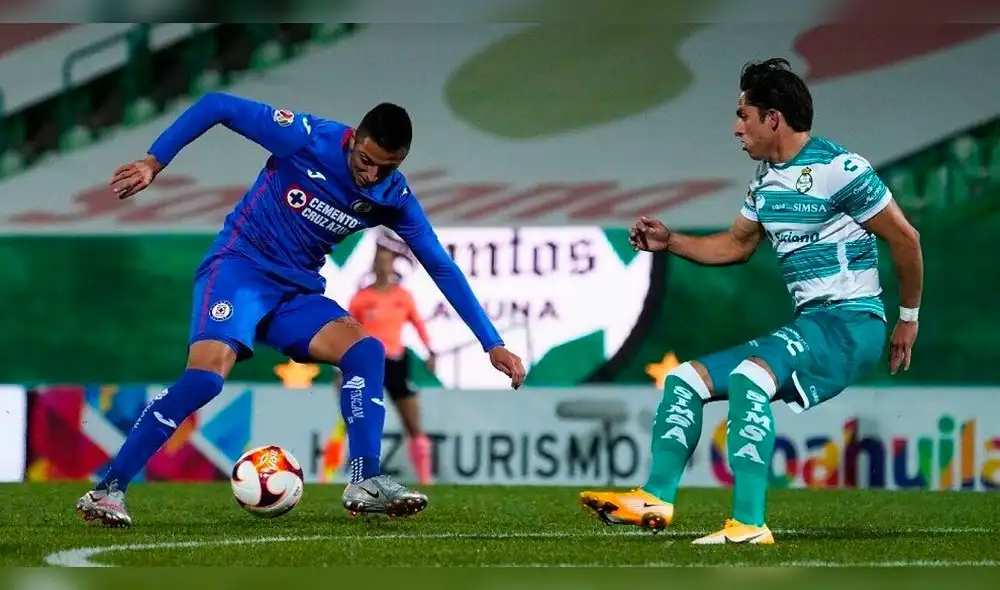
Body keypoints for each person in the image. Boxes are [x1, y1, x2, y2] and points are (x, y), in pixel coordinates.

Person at [75, 92, 526, 528]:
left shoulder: (393, 196)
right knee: (206, 378)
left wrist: (493, 343)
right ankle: (108, 489)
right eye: (366, 160)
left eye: (386, 166)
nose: (372, 174)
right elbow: (217, 105)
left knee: (366, 351)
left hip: (296, 292)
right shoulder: (308, 137)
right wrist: (155, 161)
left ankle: (364, 480)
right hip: (239, 269)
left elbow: (440, 265)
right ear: (353, 139)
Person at [579, 58, 923, 545]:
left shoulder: (839, 169)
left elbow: (906, 239)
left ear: (773, 119)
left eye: (744, 115)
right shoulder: (765, 179)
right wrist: (671, 241)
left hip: (851, 324)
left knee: (749, 376)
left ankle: (748, 524)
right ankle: (655, 496)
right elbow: (736, 246)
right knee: (683, 380)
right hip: (813, 326)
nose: (736, 128)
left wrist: (907, 319)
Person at [347, 246, 437, 485]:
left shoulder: (403, 296)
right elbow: (347, 330)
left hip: (396, 362)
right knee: (352, 420)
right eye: (381, 262)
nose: (385, 267)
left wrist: (430, 351)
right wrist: (341, 366)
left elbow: (418, 324)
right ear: (374, 265)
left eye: (389, 262)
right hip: (368, 365)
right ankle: (328, 477)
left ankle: (426, 479)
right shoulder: (361, 298)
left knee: (412, 421)